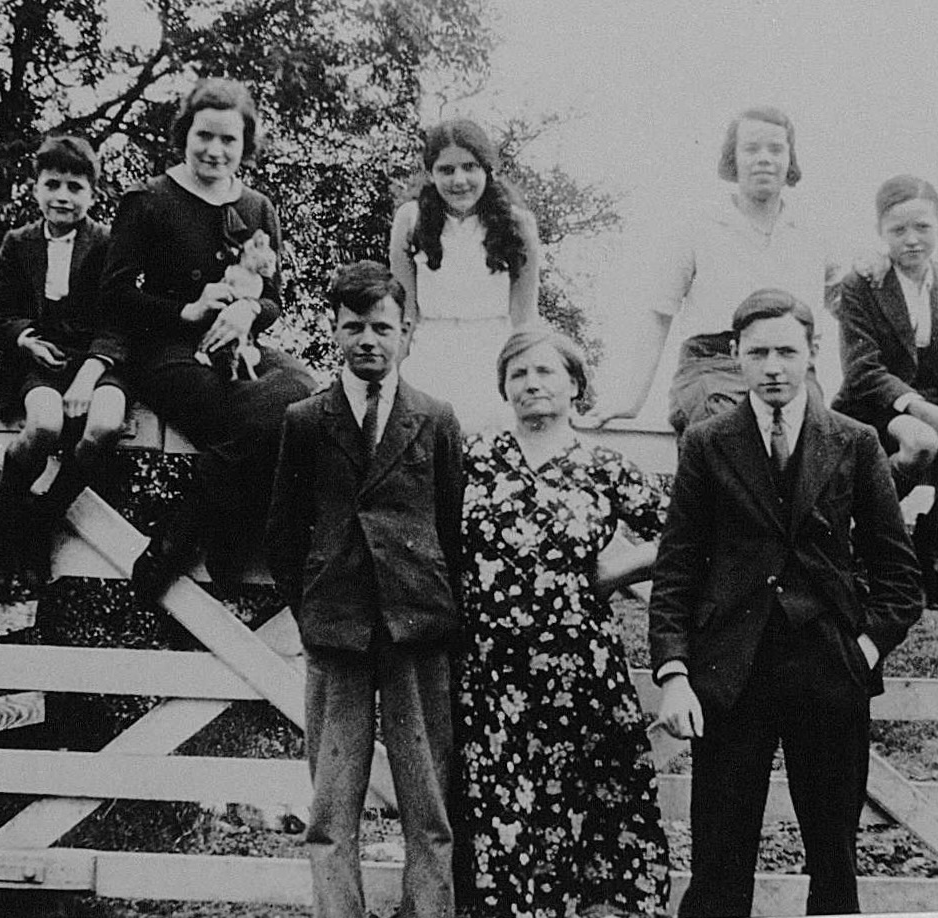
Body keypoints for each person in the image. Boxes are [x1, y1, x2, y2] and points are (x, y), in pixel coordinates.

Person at [650, 289, 922, 917]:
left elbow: (900, 575)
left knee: (833, 855)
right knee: (720, 857)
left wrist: (864, 647)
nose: (773, 365)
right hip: (731, 676)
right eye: (758, 352)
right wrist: (675, 673)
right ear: (737, 358)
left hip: (829, 671)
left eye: (787, 351)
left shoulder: (854, 443)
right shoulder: (708, 442)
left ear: (812, 355)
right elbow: (677, 570)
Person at [266, 261, 464, 918]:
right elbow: (284, 534)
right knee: (331, 807)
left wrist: (436, 606)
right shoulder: (304, 419)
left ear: (405, 332)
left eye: (382, 327)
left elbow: (453, 526)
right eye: (354, 327)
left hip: (417, 630)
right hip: (337, 630)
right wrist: (316, 609)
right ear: (335, 332)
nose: (368, 340)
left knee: (429, 807)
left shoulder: (436, 419)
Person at [453, 327, 671, 918]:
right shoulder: (473, 460)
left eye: (545, 371)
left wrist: (627, 564)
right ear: (503, 387)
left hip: (582, 678)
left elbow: (690, 533)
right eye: (518, 373)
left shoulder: (604, 467)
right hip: (493, 682)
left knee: (591, 821)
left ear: (574, 384)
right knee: (504, 822)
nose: (531, 384)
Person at [101, 78, 316, 601]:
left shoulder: (260, 208)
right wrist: (187, 309)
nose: (215, 150)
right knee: (252, 416)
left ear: (246, 145)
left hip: (238, 349)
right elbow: (112, 295)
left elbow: (275, 299)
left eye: (229, 140)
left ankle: (184, 531)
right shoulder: (148, 200)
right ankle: (219, 542)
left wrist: (248, 311)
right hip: (167, 351)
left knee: (306, 392)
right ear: (184, 134)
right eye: (205, 136)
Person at [579, 105, 839, 435]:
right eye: (751, 149)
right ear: (733, 158)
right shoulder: (699, 227)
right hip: (712, 367)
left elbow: (847, 299)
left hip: (791, 371)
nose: (764, 158)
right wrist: (631, 401)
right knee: (727, 436)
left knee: (818, 446)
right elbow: (659, 316)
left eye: (775, 149)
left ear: (790, 158)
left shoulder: (813, 233)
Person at [833, 175, 938, 611]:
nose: (911, 240)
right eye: (897, 230)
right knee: (920, 441)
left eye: (922, 228)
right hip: (878, 404)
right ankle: (864, 540)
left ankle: (927, 542)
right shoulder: (862, 284)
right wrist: (925, 412)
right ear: (880, 233)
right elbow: (862, 370)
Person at [0, 134, 128, 593]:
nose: (63, 196)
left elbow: (123, 319)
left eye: (75, 187)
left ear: (93, 194)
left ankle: (43, 518)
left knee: (103, 425)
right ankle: (3, 517)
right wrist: (26, 339)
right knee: (43, 424)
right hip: (41, 362)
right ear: (36, 187)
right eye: (53, 184)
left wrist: (92, 370)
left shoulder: (107, 244)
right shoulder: (18, 242)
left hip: (100, 363)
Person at [389, 118, 540, 432]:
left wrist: (528, 379)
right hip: (429, 357)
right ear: (431, 173)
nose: (459, 180)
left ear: (487, 169)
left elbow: (524, 318)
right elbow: (405, 314)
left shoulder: (517, 225)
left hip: (493, 357)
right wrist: (389, 380)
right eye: (447, 170)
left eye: (470, 167)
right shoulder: (410, 220)